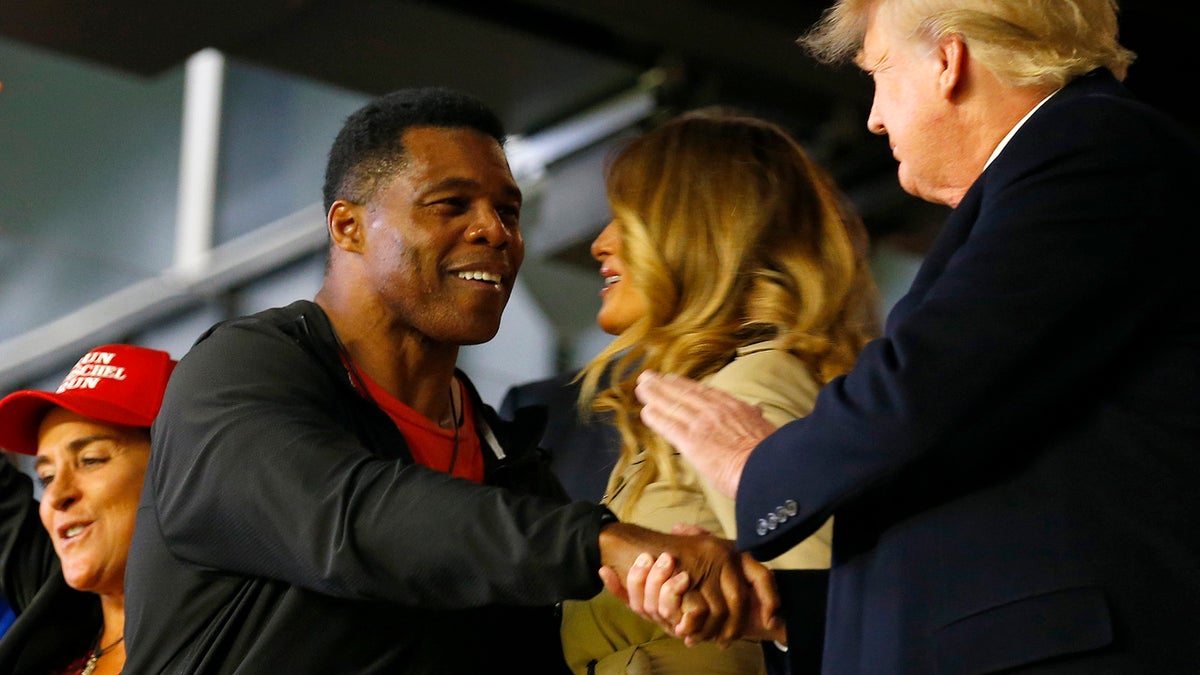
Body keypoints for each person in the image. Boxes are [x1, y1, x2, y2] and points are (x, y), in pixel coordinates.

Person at [624, 0, 1200, 672]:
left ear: (948, 62)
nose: (871, 116)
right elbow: (978, 487)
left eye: (878, 72)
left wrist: (759, 465)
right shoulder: (1069, 163)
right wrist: (789, 613)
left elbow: (926, 385)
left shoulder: (1093, 143)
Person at [120, 86, 776, 674]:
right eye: (451, 205)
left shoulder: (509, 463)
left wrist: (725, 595)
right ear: (347, 226)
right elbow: (348, 518)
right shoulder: (242, 371)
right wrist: (606, 540)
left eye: (510, 211)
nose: (495, 231)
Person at [560, 110, 879, 675]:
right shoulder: (709, 386)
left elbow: (839, 628)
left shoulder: (752, 382)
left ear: (698, 233)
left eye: (627, 219)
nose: (600, 244)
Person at [0, 343, 177, 675]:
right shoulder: (56, 618)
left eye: (90, 460)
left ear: (175, 466)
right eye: (46, 478)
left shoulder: (246, 619)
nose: (56, 496)